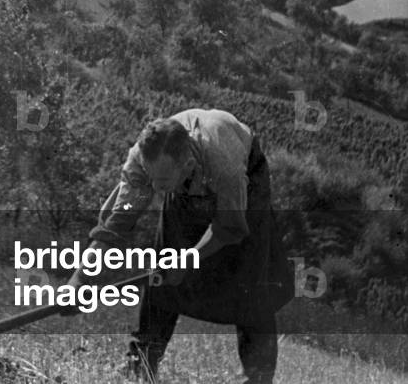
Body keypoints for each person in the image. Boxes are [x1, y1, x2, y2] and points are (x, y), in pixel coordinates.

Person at [64, 109, 294, 384]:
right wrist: (79, 279)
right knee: (162, 269)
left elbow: (229, 227)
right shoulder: (143, 162)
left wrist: (189, 259)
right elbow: (115, 226)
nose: (154, 188)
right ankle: (141, 363)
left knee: (251, 278)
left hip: (246, 180)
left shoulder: (225, 167)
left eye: (161, 182)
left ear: (185, 165)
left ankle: (257, 377)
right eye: (150, 179)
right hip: (186, 185)